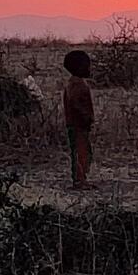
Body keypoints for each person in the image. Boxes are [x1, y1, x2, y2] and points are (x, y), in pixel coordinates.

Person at [62, 49, 94, 190]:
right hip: (78, 125)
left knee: (82, 151)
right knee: (81, 152)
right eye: (87, 66)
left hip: (77, 125)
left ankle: (81, 179)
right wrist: (86, 117)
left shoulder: (75, 82)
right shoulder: (77, 84)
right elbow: (76, 103)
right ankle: (79, 181)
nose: (89, 69)